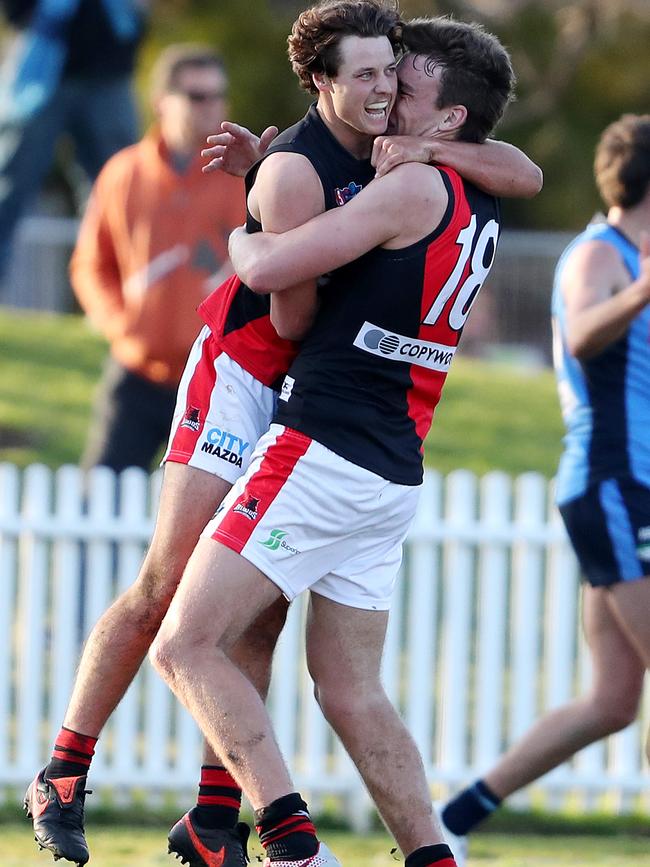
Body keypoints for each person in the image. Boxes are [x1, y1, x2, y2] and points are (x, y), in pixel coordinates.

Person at [24, 3, 540, 865]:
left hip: (315, 406)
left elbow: (517, 166)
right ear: (322, 81)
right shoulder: (302, 171)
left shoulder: (409, 154)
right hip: (247, 376)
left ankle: (215, 819)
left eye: (394, 71)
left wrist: (419, 166)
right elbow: (292, 316)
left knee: (253, 623)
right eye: (370, 73)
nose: (384, 88)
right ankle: (67, 770)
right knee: (168, 591)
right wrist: (264, 226)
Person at [434, 113, 650, 867]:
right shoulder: (602, 253)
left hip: (629, 490)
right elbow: (587, 332)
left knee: (613, 701)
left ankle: (451, 815)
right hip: (617, 486)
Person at [70, 43, 246, 472]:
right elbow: (91, 265)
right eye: (197, 96)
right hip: (136, 373)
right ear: (161, 102)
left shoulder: (246, 176)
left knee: (212, 520)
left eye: (218, 95)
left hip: (216, 379)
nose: (212, 107)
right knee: (102, 506)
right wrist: (122, 325)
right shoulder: (123, 173)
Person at [0, 0, 147, 283]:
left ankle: (116, 296)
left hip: (110, 76)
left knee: (123, 193)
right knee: (10, 188)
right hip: (40, 76)